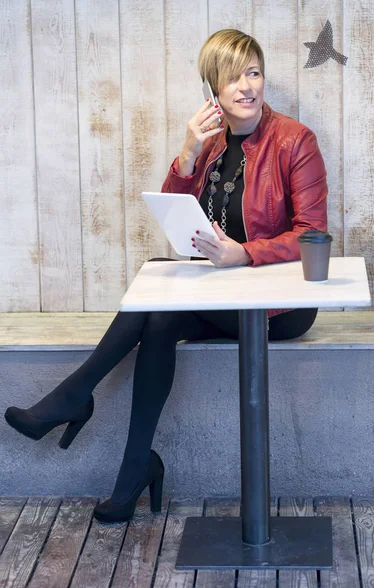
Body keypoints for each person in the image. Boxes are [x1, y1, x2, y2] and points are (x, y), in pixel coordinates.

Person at [4, 29, 327, 524]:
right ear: (212, 91)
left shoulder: (294, 141)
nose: (247, 86)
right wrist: (189, 153)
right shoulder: (214, 145)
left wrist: (244, 253)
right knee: (157, 320)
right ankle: (134, 466)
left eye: (254, 72)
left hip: (278, 304)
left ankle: (74, 397)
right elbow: (177, 212)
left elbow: (313, 234)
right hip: (219, 296)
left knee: (160, 299)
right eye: (232, 77)